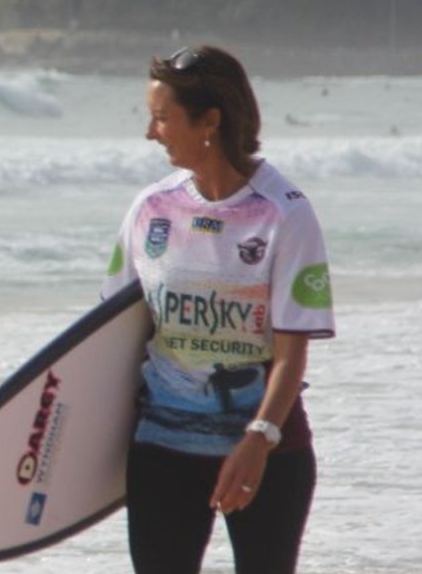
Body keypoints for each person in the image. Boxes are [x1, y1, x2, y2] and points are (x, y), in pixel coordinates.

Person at [104, 45, 334, 574]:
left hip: (268, 452)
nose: (150, 133)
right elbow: (112, 336)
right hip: (162, 450)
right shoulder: (150, 209)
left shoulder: (284, 213)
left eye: (162, 118)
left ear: (210, 121)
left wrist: (258, 438)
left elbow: (290, 353)